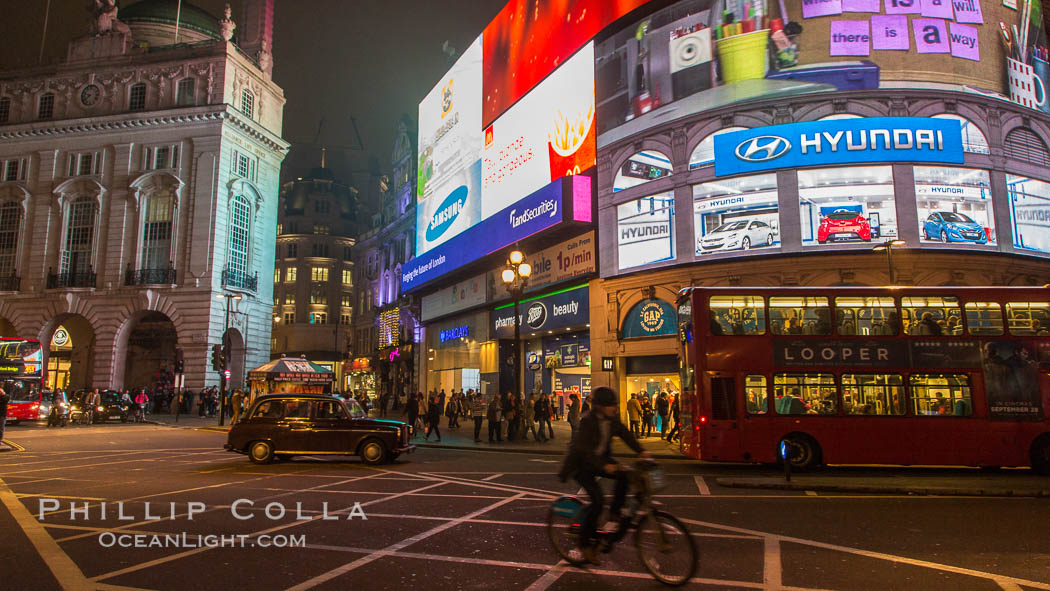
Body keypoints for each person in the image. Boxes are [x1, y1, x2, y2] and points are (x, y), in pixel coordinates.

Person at [557, 386, 648, 565]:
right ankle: (584, 545)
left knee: (625, 475)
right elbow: (584, 451)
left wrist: (642, 452)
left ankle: (615, 514)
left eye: (615, 404)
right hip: (582, 466)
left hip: (600, 460)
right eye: (611, 405)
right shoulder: (588, 421)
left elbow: (625, 434)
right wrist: (605, 466)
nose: (614, 408)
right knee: (597, 502)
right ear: (599, 407)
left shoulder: (612, 419)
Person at [0, 383, 8, 448]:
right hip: (2, 414)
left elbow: (7, 399)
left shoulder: (4, 397)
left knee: (1, 428)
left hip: (2, 414)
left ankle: (0, 441)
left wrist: (3, 394)